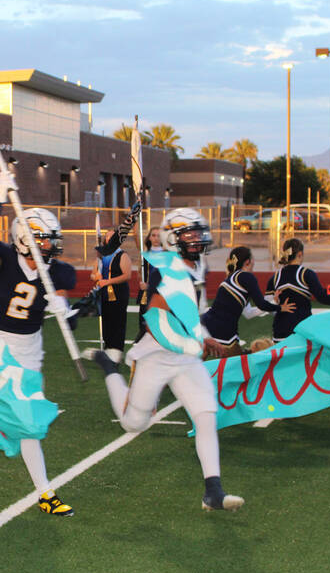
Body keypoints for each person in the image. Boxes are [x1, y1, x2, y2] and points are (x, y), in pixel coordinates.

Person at [85, 206, 242, 512]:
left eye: (198, 233)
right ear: (173, 239)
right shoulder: (165, 271)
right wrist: (200, 339)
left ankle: (213, 490)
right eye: (189, 234)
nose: (197, 239)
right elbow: (164, 310)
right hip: (157, 354)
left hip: (185, 357)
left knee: (206, 414)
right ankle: (108, 367)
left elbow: (192, 313)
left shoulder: (198, 266)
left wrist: (202, 336)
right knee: (133, 424)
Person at [0, 170, 77, 516]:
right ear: (24, 240)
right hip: (0, 344)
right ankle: (45, 492)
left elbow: (66, 311)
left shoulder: (56, 270)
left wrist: (65, 309)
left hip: (31, 346)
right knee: (29, 422)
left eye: (51, 240)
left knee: (31, 416)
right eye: (44, 240)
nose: (50, 246)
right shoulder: (2, 258)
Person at [202, 245, 288, 355]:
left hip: (207, 324)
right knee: (240, 363)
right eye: (253, 259)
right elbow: (261, 304)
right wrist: (280, 307)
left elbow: (248, 313)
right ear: (248, 262)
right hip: (223, 331)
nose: (254, 262)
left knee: (196, 364)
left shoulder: (231, 278)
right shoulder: (247, 277)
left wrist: (273, 302)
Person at [266, 238, 330, 340]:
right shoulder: (306, 274)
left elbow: (266, 306)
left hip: (280, 331)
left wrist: (278, 306)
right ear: (300, 254)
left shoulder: (275, 278)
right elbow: (323, 298)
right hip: (301, 331)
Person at [90, 239, 132, 361]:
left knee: (117, 323)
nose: (109, 240)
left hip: (119, 293)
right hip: (103, 293)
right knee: (106, 323)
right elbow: (92, 274)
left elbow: (127, 275)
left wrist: (108, 282)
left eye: (111, 237)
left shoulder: (122, 255)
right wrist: (95, 276)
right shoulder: (100, 257)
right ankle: (108, 350)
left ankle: (116, 352)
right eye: (107, 238)